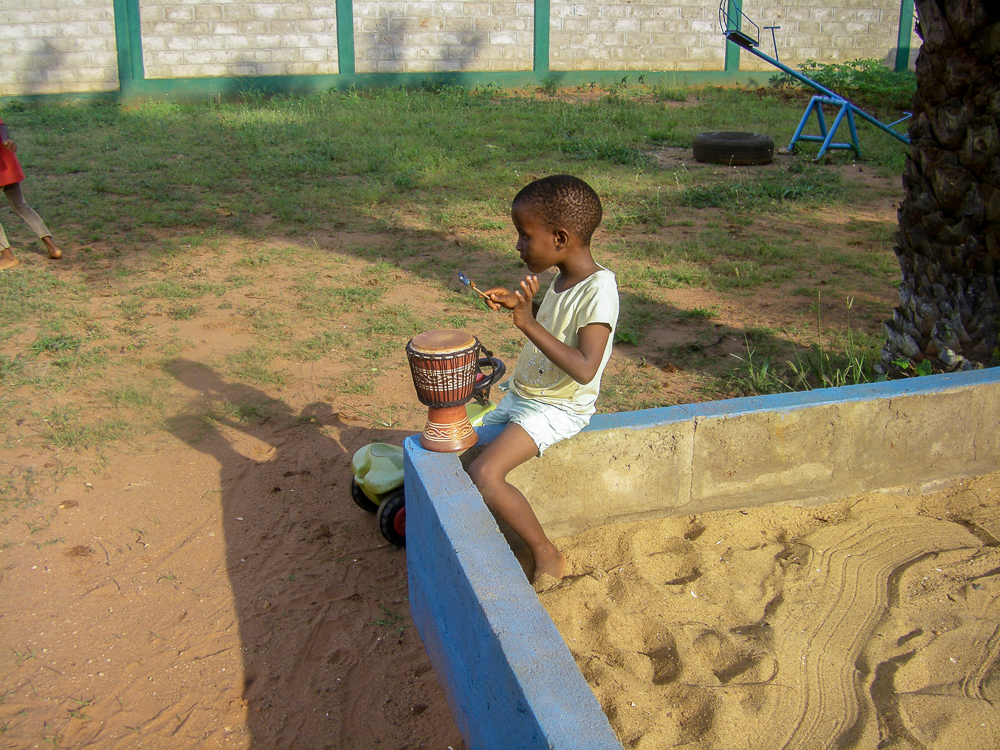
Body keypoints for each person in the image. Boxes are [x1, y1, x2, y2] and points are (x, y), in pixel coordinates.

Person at [468, 175, 619, 582]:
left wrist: (526, 325)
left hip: (558, 407)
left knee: (485, 474)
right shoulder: (561, 277)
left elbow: (586, 366)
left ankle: (545, 552)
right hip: (526, 396)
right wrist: (524, 308)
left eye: (524, 235)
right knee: (460, 450)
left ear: (560, 237)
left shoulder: (599, 290)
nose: (518, 245)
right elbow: (557, 332)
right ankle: (501, 541)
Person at [0, 117, 63, 271]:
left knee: (21, 207)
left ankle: (7, 256)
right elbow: (1, 126)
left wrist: (6, 138)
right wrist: (6, 139)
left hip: (4, 164)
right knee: (22, 207)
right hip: (7, 163)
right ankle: (52, 247)